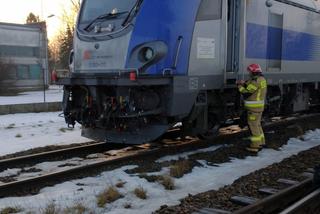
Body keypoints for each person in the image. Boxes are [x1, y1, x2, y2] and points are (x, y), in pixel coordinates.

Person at [237, 64, 267, 152]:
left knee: (253, 126)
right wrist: (244, 83)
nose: (249, 73)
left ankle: (255, 146)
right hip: (259, 108)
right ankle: (261, 142)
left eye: (249, 71)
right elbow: (251, 85)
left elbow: (246, 93)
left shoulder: (255, 81)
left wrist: (239, 86)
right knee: (257, 125)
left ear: (253, 72)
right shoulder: (261, 79)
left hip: (253, 109)